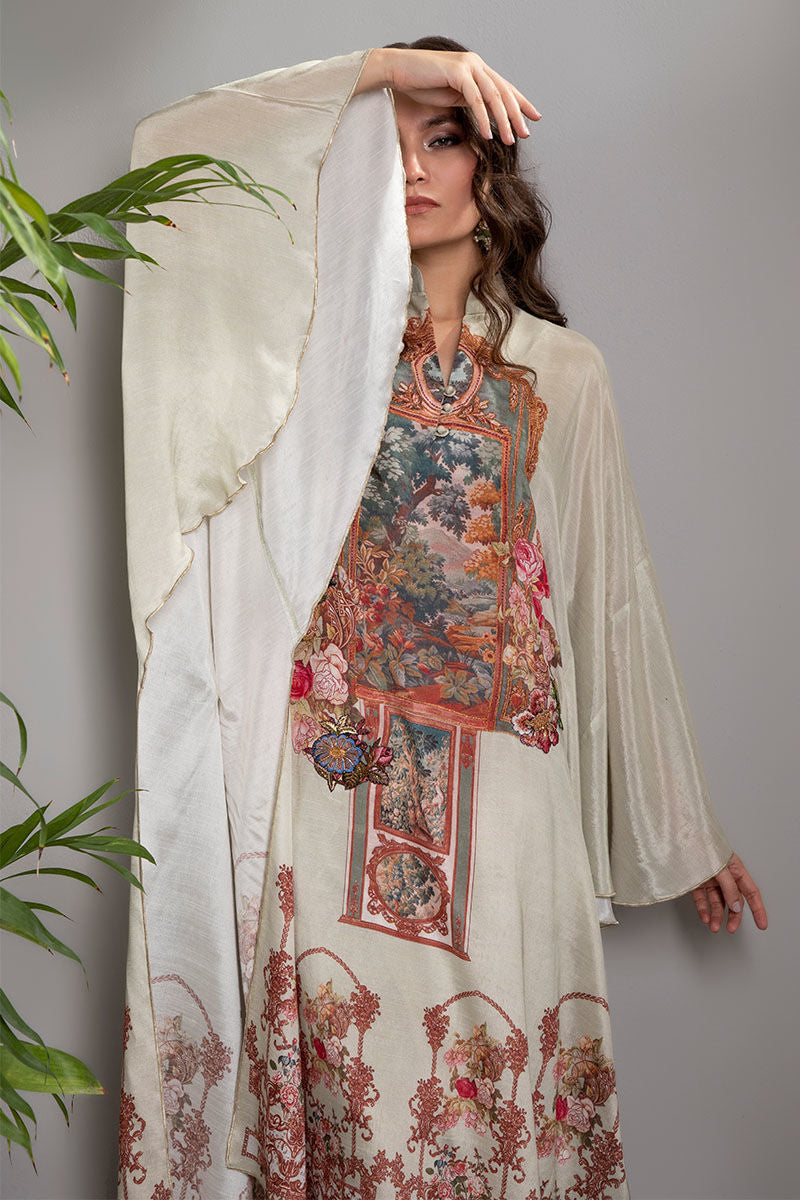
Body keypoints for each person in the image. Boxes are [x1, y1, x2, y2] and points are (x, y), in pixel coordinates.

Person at [118, 37, 767, 1200]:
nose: (414, 168)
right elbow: (172, 155)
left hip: (507, 816)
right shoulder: (300, 365)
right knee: (350, 1115)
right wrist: (375, 70)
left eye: (445, 138)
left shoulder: (562, 374)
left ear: (491, 169)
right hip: (328, 794)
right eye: (390, 142)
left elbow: (607, 599)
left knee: (481, 1120)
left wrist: (686, 831)